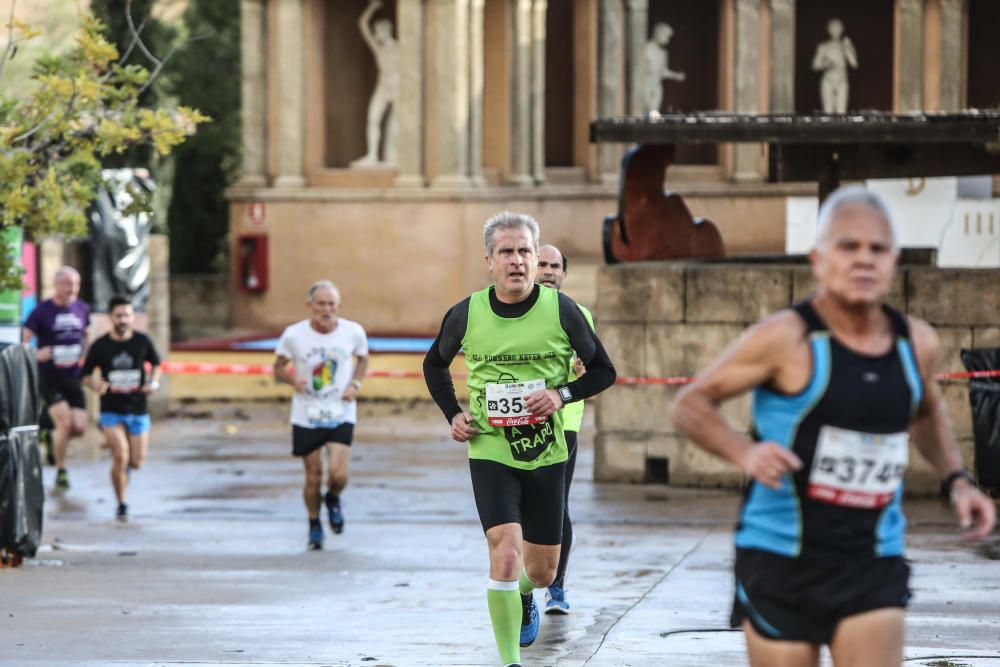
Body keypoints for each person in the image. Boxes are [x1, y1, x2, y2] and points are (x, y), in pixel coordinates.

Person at [669, 185, 996, 667]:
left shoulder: (916, 342)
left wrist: (958, 481)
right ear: (818, 259)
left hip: (872, 559)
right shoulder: (786, 337)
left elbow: (925, 411)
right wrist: (745, 452)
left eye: (877, 249)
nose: (864, 260)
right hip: (781, 558)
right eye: (848, 247)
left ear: (894, 260)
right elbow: (690, 404)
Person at [423, 212, 616, 667]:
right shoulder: (466, 313)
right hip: (491, 449)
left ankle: (527, 595)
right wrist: (453, 414)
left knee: (541, 570)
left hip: (547, 451)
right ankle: (510, 661)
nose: (517, 261)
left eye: (524, 251)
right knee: (505, 556)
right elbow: (435, 365)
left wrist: (561, 393)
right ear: (489, 261)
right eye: (506, 252)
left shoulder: (563, 310)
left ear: (536, 258)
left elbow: (605, 371)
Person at [274, 281, 369, 550]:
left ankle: (334, 497)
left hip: (341, 411)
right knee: (313, 475)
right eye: (321, 304)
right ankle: (314, 523)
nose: (326, 310)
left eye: (331, 304)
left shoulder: (353, 332)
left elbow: (363, 359)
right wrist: (293, 381)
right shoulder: (294, 335)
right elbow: (279, 367)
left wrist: (355, 385)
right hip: (306, 413)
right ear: (310, 306)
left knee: (338, 474)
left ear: (338, 307)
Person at [536, 244, 593, 615]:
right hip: (516, 423)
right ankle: (523, 582)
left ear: (564, 273)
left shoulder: (577, 313)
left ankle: (556, 586)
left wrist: (575, 380)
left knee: (557, 505)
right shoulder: (511, 309)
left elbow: (592, 364)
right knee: (520, 509)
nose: (548, 271)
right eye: (542, 264)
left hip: (563, 422)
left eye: (555, 266)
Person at [82, 295, 162, 521]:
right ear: (110, 318)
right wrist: (94, 384)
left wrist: (153, 382)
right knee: (121, 456)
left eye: (127, 315)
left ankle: (123, 464)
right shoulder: (101, 345)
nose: (123, 320)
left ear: (132, 317)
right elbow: (86, 375)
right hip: (111, 410)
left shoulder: (142, 341)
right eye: (118, 316)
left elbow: (157, 365)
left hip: (138, 409)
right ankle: (121, 503)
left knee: (136, 462)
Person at [23, 266, 91, 490]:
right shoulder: (42, 311)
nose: (73, 289)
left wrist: (86, 356)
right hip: (49, 376)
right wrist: (36, 353)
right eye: (69, 284)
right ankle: (61, 471)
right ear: (57, 285)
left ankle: (49, 435)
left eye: (77, 284)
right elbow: (23, 341)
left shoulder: (82, 308)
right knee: (65, 423)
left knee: (79, 428)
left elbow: (87, 334)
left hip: (73, 376)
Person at [351, 0, 399, 167]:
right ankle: (372, 156)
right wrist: (372, 8)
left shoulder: (400, 49)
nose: (376, 34)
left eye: (378, 31)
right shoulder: (378, 48)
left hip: (398, 89)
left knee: (394, 125)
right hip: (383, 87)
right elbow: (362, 24)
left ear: (386, 31)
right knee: (373, 118)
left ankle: (392, 158)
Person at [812, 18, 858, 114]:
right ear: (828, 30)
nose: (835, 30)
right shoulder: (823, 46)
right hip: (828, 80)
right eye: (832, 28)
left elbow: (854, 64)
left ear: (842, 29)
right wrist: (826, 64)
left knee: (841, 112)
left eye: (837, 28)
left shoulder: (845, 45)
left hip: (842, 81)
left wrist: (847, 48)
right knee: (828, 111)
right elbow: (815, 66)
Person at [643, 22, 685, 114]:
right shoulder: (646, 48)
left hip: (656, 87)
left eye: (669, 37)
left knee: (653, 113)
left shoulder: (664, 53)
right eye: (666, 36)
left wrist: (676, 75)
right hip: (645, 85)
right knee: (644, 113)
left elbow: (662, 71)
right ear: (658, 33)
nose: (668, 39)